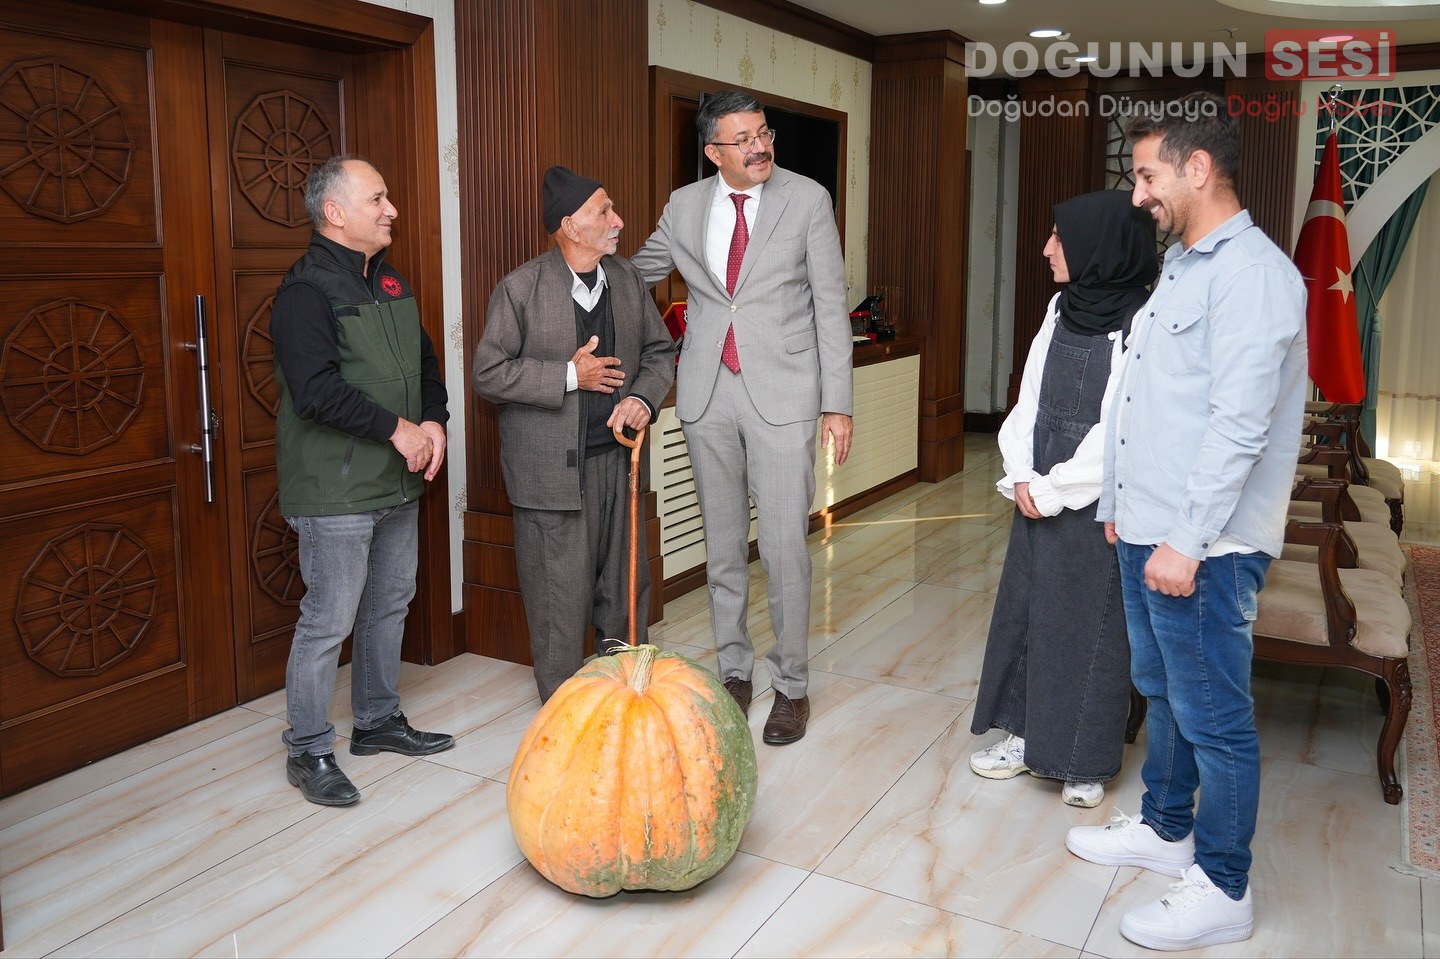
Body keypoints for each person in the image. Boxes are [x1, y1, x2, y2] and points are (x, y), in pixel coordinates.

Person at [1065, 92, 1307, 951]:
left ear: (1198, 169)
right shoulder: (1186, 262)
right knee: (1164, 692)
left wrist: (1185, 540)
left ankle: (1224, 884)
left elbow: (1238, 425)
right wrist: (1123, 504)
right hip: (1149, 527)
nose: (1138, 195)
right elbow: (1150, 394)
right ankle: (1168, 830)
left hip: (1203, 546)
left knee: (1215, 716)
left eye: (1147, 175)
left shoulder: (1256, 277)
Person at [631, 89, 853, 745]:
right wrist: (576, 258)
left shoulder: (806, 199)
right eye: (742, 138)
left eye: (763, 133)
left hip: (785, 392)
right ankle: (734, 669)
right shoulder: (684, 205)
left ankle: (791, 685)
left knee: (784, 546)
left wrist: (836, 401)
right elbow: (636, 272)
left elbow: (830, 302)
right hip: (705, 391)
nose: (759, 146)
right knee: (722, 546)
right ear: (713, 151)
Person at [271, 155, 455, 807]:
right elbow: (316, 391)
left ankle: (376, 721)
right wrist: (399, 430)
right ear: (335, 213)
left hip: (396, 482)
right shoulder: (305, 291)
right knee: (329, 618)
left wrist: (433, 420)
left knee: (388, 602)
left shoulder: (390, 280)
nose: (391, 209)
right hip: (335, 488)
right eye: (377, 198)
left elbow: (426, 358)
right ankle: (309, 746)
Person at [969, 189, 1157, 809]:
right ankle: (1025, 736)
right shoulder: (1059, 306)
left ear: (1098, 248)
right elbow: (1027, 396)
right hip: (1039, 478)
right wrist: (1021, 470)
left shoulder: (1141, 321)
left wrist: (1054, 489)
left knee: (1088, 625)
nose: (1048, 248)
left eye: (1059, 237)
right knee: (1029, 612)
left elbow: (1122, 430)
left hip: (1093, 492)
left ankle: (1083, 759)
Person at [472, 166, 676, 702]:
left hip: (622, 463)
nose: (618, 221)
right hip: (552, 476)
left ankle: (628, 703)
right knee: (558, 601)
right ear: (569, 225)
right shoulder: (521, 288)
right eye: (603, 212)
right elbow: (488, 374)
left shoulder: (628, 280)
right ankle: (566, 718)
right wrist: (569, 375)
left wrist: (641, 398)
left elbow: (659, 352)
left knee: (626, 592)